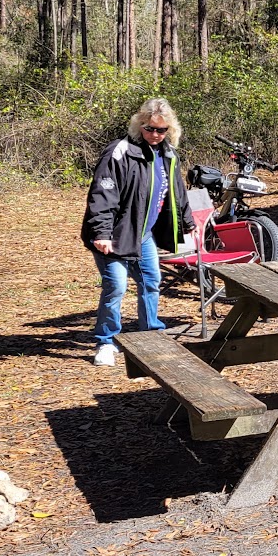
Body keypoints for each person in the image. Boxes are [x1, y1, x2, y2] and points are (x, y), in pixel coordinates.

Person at [80, 98, 195, 365]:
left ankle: (150, 333)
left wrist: (187, 220)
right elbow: (102, 196)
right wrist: (101, 233)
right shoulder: (120, 152)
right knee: (116, 287)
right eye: (149, 128)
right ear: (139, 125)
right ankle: (106, 343)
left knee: (151, 281)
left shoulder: (167, 154)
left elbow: (177, 191)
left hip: (143, 235)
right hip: (115, 234)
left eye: (161, 129)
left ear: (170, 130)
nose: (155, 134)